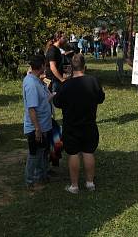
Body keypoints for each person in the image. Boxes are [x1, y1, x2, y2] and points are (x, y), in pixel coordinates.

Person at [53, 54, 105, 194]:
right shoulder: (93, 81)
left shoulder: (66, 85)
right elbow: (101, 98)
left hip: (71, 125)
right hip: (89, 123)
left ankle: (74, 186)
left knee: (73, 153)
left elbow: (57, 103)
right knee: (88, 152)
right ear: (85, 66)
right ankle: (90, 183)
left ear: (71, 68)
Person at [23, 54, 53, 190]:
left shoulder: (36, 80)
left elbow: (41, 102)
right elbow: (32, 109)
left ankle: (41, 176)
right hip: (36, 127)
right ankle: (31, 181)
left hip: (43, 125)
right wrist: (37, 129)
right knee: (34, 154)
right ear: (41, 66)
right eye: (45, 65)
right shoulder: (31, 84)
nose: (46, 67)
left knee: (42, 152)